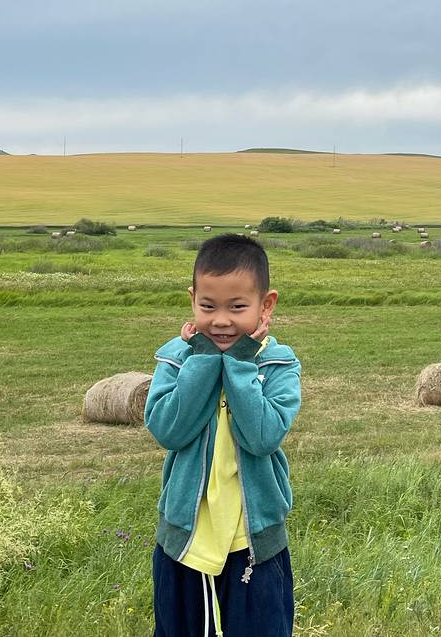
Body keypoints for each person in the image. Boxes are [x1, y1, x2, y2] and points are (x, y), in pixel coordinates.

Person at [145, 233, 302, 637]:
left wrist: (240, 363)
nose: (220, 320)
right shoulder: (175, 358)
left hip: (253, 540)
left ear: (266, 304)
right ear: (192, 299)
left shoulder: (278, 365)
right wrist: (201, 360)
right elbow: (169, 430)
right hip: (186, 539)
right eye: (208, 306)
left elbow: (262, 437)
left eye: (237, 307)